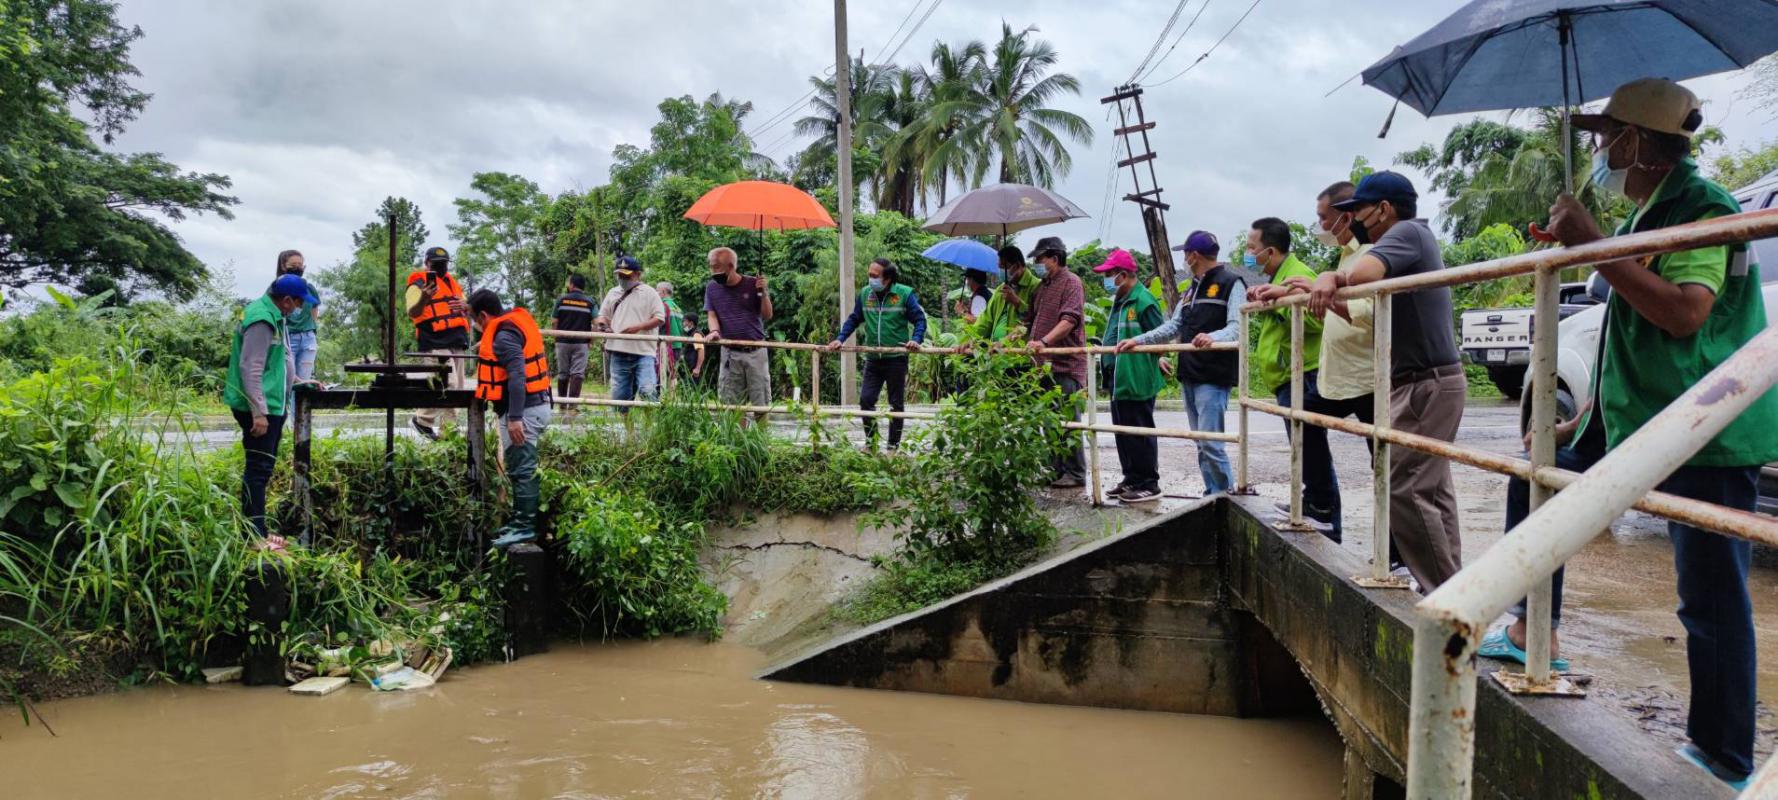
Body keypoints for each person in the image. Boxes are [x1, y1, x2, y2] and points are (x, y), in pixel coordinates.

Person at [1465, 79, 1778, 790]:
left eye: (1608, 138)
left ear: (1635, 141)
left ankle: (1722, 757)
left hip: (1702, 427)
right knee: (1538, 475)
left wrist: (1593, 243)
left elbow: (1684, 315)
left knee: (1711, 595)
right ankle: (1530, 631)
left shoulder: (1704, 208)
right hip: (1643, 420)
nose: (1603, 151)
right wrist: (1590, 416)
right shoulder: (1653, 213)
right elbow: (1631, 333)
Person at [1309, 171, 1465, 590]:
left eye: (1357, 210)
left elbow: (1363, 277)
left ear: (1383, 209)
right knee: (1431, 488)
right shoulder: (1413, 236)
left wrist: (1331, 278)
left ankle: (1445, 596)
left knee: (1405, 487)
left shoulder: (1405, 233)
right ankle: (1454, 588)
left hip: (1425, 383)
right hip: (1425, 381)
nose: (1354, 219)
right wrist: (1318, 284)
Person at [1266, 183, 1380, 538]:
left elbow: (1369, 313)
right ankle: (1321, 508)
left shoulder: (1373, 255)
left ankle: (1395, 553)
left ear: (1346, 217)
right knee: (1300, 415)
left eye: (1323, 218)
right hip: (1345, 376)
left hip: (1369, 376)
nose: (1319, 226)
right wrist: (1302, 289)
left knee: (1389, 466)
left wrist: (1321, 296)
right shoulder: (1345, 256)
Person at [1116, 231, 1244, 496]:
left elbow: (1237, 327)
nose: (1184, 259)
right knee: (1200, 442)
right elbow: (1174, 326)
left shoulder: (1233, 283)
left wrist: (1212, 337)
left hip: (1213, 375)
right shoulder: (1190, 290)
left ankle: (1225, 495)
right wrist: (1138, 340)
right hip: (1190, 373)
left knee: (1211, 443)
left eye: (1185, 254)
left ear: (1194, 255)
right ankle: (1212, 493)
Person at [1245, 217, 1338, 539]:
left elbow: (1318, 322)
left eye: (1251, 248)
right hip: (1288, 375)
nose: (1247, 253)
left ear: (1269, 251)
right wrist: (1270, 299)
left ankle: (1323, 510)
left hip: (1303, 372)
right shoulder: (1281, 277)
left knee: (1310, 444)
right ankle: (1312, 502)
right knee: (1302, 444)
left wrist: (1281, 302)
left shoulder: (1300, 277)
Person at [223, 274, 320, 551]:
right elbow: (250, 368)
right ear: (287, 300)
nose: (299, 308)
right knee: (258, 470)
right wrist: (259, 413)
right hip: (260, 407)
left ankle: (259, 530)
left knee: (261, 470)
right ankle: (254, 538)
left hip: (271, 404)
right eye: (299, 303)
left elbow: (279, 362)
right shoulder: (262, 319)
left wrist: (299, 381)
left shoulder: (275, 316)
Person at [469, 288, 553, 548]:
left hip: (524, 412)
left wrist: (515, 418)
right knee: (519, 469)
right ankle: (519, 522)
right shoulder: (513, 322)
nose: (474, 325)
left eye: (473, 318)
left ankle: (525, 527)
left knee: (522, 470)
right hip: (531, 407)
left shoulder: (503, 336)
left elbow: (518, 375)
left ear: (483, 316)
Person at [828, 257, 927, 450]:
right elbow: (854, 319)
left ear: (887, 279)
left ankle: (892, 446)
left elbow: (920, 320)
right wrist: (840, 338)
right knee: (866, 400)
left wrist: (916, 339)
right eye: (869, 275)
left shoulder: (904, 294)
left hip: (896, 358)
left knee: (896, 404)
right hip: (873, 358)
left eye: (874, 276)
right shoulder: (866, 294)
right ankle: (871, 443)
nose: (870, 279)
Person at [1094, 249, 1167, 503]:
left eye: (1109, 274)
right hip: (1118, 376)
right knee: (1123, 430)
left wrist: (1159, 358)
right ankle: (1131, 478)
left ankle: (1149, 482)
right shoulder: (1120, 300)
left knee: (1139, 429)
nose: (1106, 279)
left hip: (1136, 376)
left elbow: (1161, 336)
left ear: (1123, 275)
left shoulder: (1144, 301)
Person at [1023, 236, 1088, 488]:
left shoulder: (1072, 283)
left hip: (1065, 363)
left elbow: (1069, 320)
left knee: (1068, 421)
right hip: (1042, 366)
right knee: (1049, 422)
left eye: (1039, 259)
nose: (1036, 264)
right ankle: (1054, 469)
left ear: (1055, 258)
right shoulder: (1042, 288)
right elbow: (1029, 320)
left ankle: (1076, 472)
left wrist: (1045, 342)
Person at [406, 246, 471, 440]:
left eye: (443, 265)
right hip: (434, 339)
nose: (440, 268)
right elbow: (412, 312)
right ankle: (422, 420)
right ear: (426, 263)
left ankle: (448, 434)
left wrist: (466, 306)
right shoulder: (417, 283)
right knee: (447, 383)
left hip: (456, 340)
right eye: (435, 264)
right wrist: (424, 298)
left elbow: (467, 308)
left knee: (456, 388)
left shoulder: (453, 283)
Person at [703, 246, 773, 424]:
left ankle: (762, 444)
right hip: (729, 352)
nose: (713, 271)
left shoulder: (752, 284)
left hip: (755, 350)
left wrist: (764, 293)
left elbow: (767, 315)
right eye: (711, 267)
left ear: (731, 266)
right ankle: (737, 443)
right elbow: (711, 315)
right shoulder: (712, 288)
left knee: (761, 401)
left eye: (717, 267)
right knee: (731, 403)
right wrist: (714, 331)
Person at [596, 257, 666, 418]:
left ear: (637, 274)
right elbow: (602, 316)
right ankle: (626, 432)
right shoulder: (613, 292)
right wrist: (604, 327)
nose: (623, 279)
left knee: (648, 390)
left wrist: (638, 327)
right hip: (617, 351)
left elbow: (660, 318)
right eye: (619, 275)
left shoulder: (649, 293)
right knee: (620, 396)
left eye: (626, 275)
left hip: (644, 352)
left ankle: (652, 427)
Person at [968, 246, 1039, 342]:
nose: (1000, 272)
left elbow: (1035, 320)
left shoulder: (1036, 286)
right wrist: (970, 339)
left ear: (1017, 265)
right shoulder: (1000, 289)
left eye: (1003, 267)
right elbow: (986, 319)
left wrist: (1017, 302)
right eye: (999, 267)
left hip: (1018, 353)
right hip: (996, 351)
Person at [276, 250, 320, 387]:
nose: (298, 268)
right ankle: (287, 409)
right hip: (288, 338)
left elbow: (314, 309)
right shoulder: (277, 288)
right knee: (288, 381)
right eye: (293, 265)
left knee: (303, 383)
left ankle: (300, 409)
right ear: (283, 266)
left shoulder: (309, 288)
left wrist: (312, 330)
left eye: (300, 265)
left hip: (308, 339)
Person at [549, 274, 596, 400]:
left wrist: (556, 337)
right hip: (581, 343)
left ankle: (563, 405)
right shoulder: (590, 302)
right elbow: (596, 322)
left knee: (563, 373)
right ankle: (573, 406)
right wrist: (591, 340)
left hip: (562, 342)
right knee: (578, 374)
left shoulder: (561, 300)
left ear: (572, 285)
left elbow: (554, 321)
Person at [658, 281, 687, 386]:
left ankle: (662, 399)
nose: (657, 294)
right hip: (678, 345)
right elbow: (683, 328)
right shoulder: (677, 308)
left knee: (661, 374)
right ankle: (672, 399)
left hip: (665, 346)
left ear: (663, 291)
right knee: (673, 374)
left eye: (657, 291)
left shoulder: (662, 306)